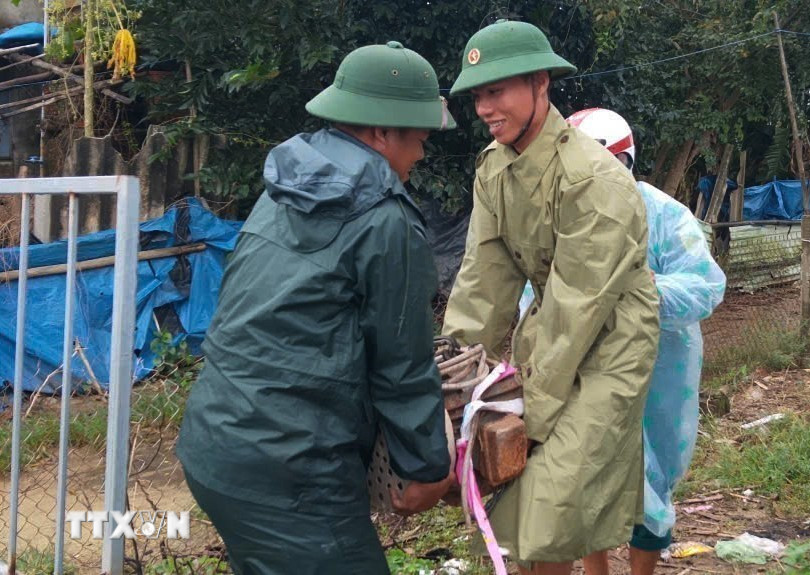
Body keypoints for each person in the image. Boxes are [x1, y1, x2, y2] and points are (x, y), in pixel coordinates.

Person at [175, 41, 457, 575]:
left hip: (216, 440)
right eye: (418, 139)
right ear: (381, 131)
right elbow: (402, 362)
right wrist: (426, 467)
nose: (420, 156)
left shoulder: (286, 187)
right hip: (291, 472)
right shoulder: (385, 218)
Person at [442, 20, 660, 575]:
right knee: (520, 502)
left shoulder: (594, 180)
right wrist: (456, 386)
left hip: (611, 341)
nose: (486, 108)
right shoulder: (494, 168)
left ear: (540, 83)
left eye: (498, 91)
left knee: (550, 495)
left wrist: (525, 415)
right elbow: (482, 282)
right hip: (549, 327)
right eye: (478, 95)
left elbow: (578, 312)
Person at [526, 108, 726, 575]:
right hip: (581, 375)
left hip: (657, 376)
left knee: (649, 485)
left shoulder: (664, 217)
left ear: (620, 165)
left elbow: (705, 285)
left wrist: (637, 293)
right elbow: (528, 295)